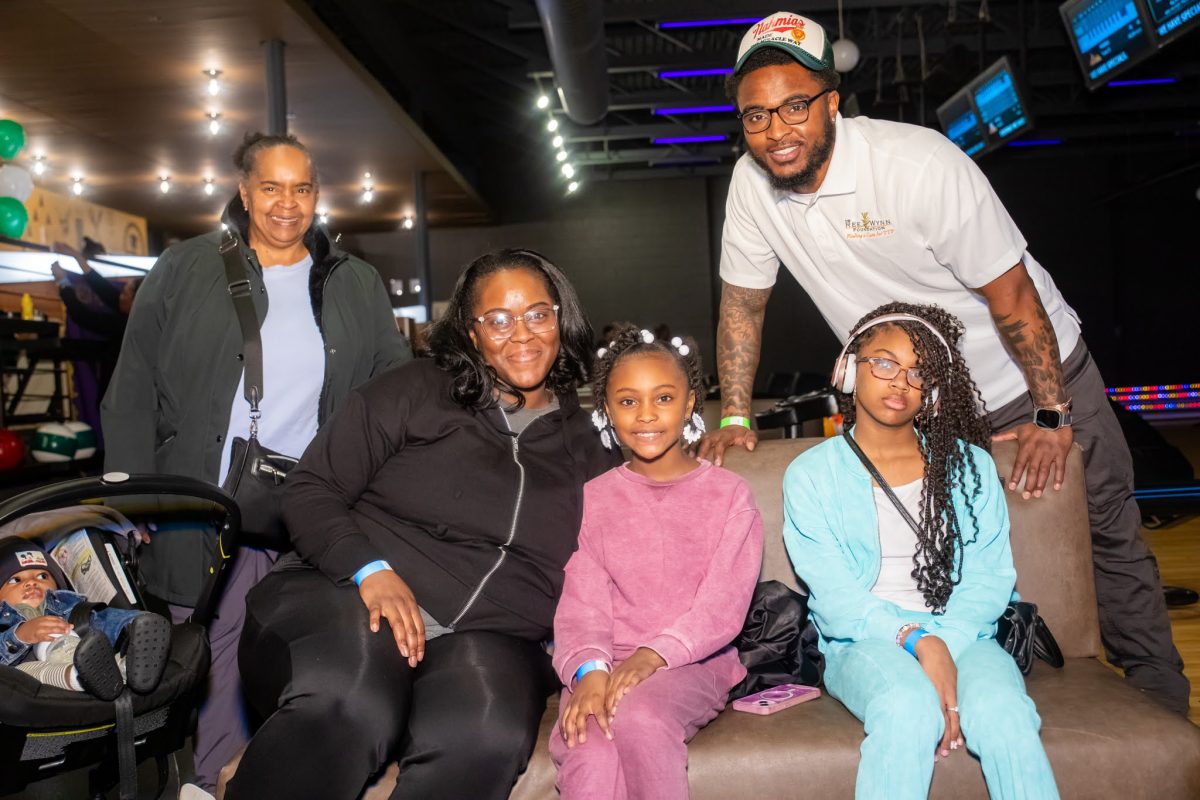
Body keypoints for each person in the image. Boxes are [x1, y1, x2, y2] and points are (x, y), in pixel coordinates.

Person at [701, 10, 1188, 714]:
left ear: (832, 102)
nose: (777, 130)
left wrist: (1052, 414)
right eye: (757, 115)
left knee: (1105, 539)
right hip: (926, 405)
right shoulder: (753, 186)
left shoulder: (917, 165)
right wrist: (736, 416)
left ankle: (1165, 717)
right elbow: (743, 306)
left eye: (795, 106)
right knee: (976, 560)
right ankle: (984, 703)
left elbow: (1013, 297)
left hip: (1030, 379)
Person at [227, 249, 618, 799]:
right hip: (348, 594)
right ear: (471, 332)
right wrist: (370, 569)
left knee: (483, 736)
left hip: (492, 637)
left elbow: (633, 538)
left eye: (537, 314)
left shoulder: (592, 445)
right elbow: (311, 488)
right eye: (498, 319)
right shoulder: (415, 389)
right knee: (352, 703)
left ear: (561, 318)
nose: (522, 334)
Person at [101, 132, 412, 794]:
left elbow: (394, 389)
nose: (286, 203)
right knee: (191, 646)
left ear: (317, 195)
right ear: (245, 192)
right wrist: (129, 493)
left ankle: (244, 778)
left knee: (282, 645)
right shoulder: (185, 269)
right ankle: (195, 775)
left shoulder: (353, 282)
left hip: (306, 503)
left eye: (301, 188)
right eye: (270, 187)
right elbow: (132, 386)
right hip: (196, 496)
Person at [783, 303, 1059, 799]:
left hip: (966, 632)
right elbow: (835, 597)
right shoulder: (811, 475)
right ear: (848, 371)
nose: (900, 382)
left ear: (932, 390)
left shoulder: (970, 467)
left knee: (1005, 714)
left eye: (918, 372)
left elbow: (990, 576)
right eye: (884, 363)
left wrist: (943, 643)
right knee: (907, 708)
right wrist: (915, 640)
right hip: (862, 640)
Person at [550, 325, 762, 800]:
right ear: (606, 410)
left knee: (639, 715)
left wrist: (653, 655)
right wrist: (590, 670)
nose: (646, 414)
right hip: (606, 662)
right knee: (587, 746)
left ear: (689, 404)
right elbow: (582, 604)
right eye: (628, 401)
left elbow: (722, 607)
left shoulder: (729, 495)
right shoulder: (595, 498)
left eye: (663, 398)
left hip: (693, 662)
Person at [0, 538, 171, 700]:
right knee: (21, 675)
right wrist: (18, 636)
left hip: (87, 653)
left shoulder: (69, 608)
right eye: (15, 580)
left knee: (100, 619)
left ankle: (130, 660)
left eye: (42, 576)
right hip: (33, 684)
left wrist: (138, 623)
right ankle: (80, 677)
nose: (31, 582)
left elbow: (106, 620)